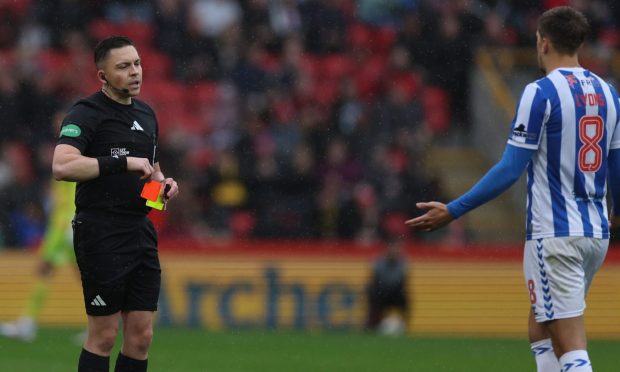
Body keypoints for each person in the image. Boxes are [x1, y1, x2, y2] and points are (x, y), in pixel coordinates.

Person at [405, 6, 620, 372]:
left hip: (555, 234)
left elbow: (509, 169)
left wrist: (454, 209)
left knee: (570, 343)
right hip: (594, 234)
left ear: (543, 42)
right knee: (540, 328)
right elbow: (615, 165)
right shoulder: (609, 94)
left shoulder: (540, 93)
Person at [52, 36, 179, 372]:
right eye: (123, 67)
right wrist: (120, 162)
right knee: (104, 335)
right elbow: (62, 166)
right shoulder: (86, 113)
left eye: (136, 63)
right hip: (100, 232)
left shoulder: (147, 115)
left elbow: (149, 176)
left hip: (139, 231)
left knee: (141, 337)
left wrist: (161, 190)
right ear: (102, 76)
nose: (135, 72)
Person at [0, 179, 75, 342]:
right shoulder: (68, 164)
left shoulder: (71, 162)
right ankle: (28, 322)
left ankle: (28, 323)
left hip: (65, 227)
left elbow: (71, 198)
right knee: (86, 276)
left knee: (45, 270)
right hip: (66, 225)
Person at [365, 238, 409, 335]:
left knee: (404, 298)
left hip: (395, 293)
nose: (394, 252)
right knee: (373, 295)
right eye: (392, 249)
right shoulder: (378, 262)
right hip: (381, 292)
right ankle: (372, 325)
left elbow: (402, 282)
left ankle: (404, 325)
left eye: (396, 249)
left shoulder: (403, 264)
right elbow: (374, 280)